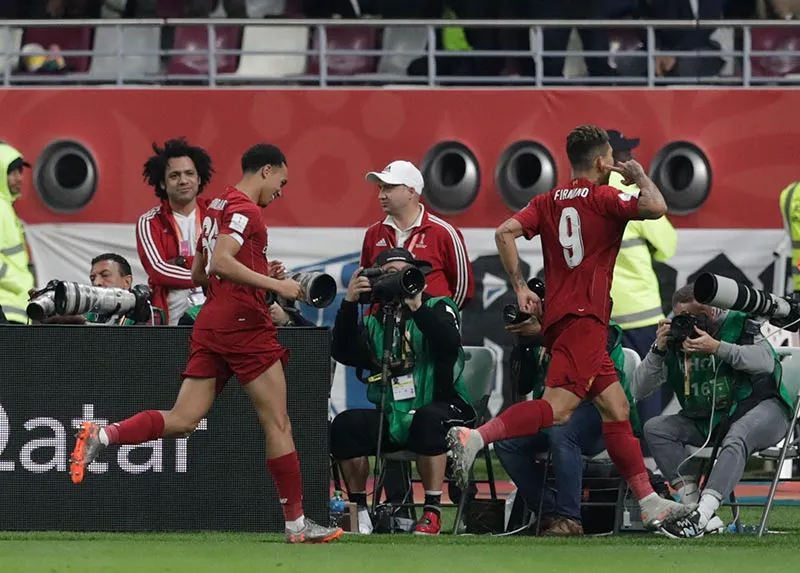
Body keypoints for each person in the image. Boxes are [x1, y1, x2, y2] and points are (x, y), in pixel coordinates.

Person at [69, 143, 343, 544]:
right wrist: (277, 284)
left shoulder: (215, 207)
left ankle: (103, 435)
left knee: (183, 419)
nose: (280, 191)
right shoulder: (245, 210)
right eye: (281, 181)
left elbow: (200, 270)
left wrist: (255, 269)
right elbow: (220, 264)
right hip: (244, 324)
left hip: (211, 322)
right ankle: (298, 525)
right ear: (266, 170)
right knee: (279, 424)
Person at [446, 124, 688, 530]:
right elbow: (657, 206)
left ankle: (648, 501)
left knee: (618, 408)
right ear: (600, 161)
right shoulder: (605, 198)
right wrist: (640, 177)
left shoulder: (548, 200)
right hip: (586, 318)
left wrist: (521, 286)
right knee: (558, 412)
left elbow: (504, 232)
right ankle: (477, 438)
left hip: (562, 318)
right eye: (610, 157)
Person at [329, 248, 476, 536]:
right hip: (395, 413)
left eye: (403, 273)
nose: (396, 281)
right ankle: (359, 512)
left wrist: (417, 306)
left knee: (428, 419)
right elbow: (343, 351)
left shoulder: (439, 306)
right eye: (389, 275)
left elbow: (448, 342)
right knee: (345, 426)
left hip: (445, 404)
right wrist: (349, 303)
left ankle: (432, 510)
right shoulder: (376, 320)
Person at [633, 283, 793, 538]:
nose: (690, 324)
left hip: (764, 409)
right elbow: (636, 391)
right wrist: (657, 351)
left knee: (738, 433)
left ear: (714, 312)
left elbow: (764, 363)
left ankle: (703, 512)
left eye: (697, 317)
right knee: (656, 428)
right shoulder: (677, 340)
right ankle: (694, 509)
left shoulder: (740, 324)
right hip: (708, 421)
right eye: (683, 318)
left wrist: (717, 348)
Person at [496, 295, 641, 536]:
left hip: (601, 417)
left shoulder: (605, 330)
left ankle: (570, 518)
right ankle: (549, 511)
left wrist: (543, 333)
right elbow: (522, 387)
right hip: (556, 413)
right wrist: (523, 345)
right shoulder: (541, 338)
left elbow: (584, 349)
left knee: (562, 432)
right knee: (506, 442)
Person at [606, 129, 678, 437]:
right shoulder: (635, 194)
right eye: (626, 153)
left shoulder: (578, 193)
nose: (632, 157)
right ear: (615, 159)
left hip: (600, 317)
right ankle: (647, 475)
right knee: (646, 400)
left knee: (608, 401)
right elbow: (668, 244)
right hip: (641, 318)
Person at [361, 160, 474, 310]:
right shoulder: (373, 233)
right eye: (380, 188)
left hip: (428, 330)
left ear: (411, 192)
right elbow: (365, 283)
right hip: (384, 327)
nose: (381, 195)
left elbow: (464, 290)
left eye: (388, 188)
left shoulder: (443, 232)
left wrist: (440, 317)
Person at [136, 138, 213, 325]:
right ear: (162, 183)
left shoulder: (217, 214)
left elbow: (231, 261)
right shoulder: (149, 221)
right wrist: (211, 277)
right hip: (171, 323)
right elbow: (159, 271)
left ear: (199, 178)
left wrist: (182, 262)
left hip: (216, 318)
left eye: (189, 173)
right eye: (174, 175)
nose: (183, 181)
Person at [0, 142, 35, 325]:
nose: (19, 178)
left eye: (20, 172)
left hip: (14, 310)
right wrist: (20, 284)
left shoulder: (6, 208)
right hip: (6, 311)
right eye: (12, 172)